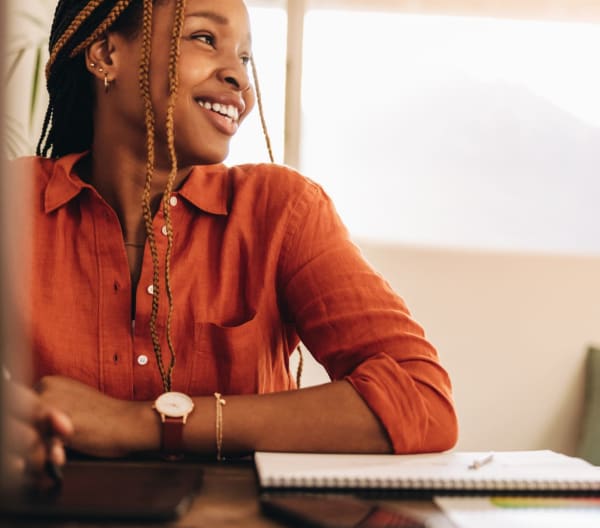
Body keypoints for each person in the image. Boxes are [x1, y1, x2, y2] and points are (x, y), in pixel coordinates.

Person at [10, 0, 458, 460]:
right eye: (205, 39)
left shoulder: (282, 211)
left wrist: (143, 423)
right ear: (106, 55)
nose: (240, 79)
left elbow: (421, 398)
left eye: (245, 58)